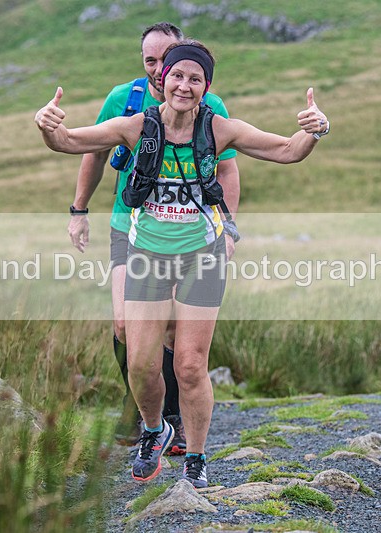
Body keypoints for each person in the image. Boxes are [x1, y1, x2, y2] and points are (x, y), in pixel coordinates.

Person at [35, 39, 329, 488]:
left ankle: (196, 457)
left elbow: (287, 150)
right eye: (177, 75)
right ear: (163, 78)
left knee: (190, 366)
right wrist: (48, 125)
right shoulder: (137, 126)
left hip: (201, 259)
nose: (184, 86)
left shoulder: (220, 129)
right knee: (140, 364)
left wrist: (316, 128)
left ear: (206, 86)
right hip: (148, 258)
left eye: (195, 79)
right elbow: (70, 142)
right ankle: (155, 430)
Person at [65, 22, 241, 453]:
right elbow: (94, 153)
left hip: (189, 235)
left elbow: (227, 169)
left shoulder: (209, 104)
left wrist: (229, 228)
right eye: (151, 60)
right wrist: (79, 210)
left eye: (169, 59)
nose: (161, 69)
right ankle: (144, 410)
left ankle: (173, 419)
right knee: (125, 325)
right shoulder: (123, 100)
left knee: (175, 335)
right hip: (129, 226)